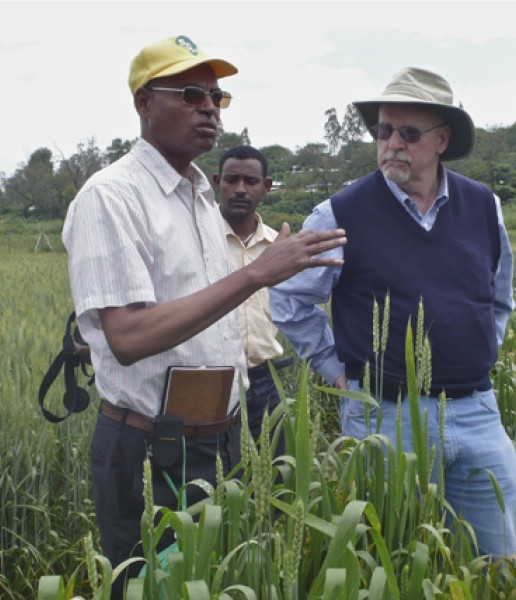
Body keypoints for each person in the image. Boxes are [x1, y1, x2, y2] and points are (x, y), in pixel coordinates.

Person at [61, 34, 345, 597]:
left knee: (216, 582)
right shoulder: (111, 196)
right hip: (152, 449)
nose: (210, 108)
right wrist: (257, 273)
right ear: (144, 102)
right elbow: (127, 336)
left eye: (218, 97)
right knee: (152, 587)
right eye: (191, 93)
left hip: (222, 438)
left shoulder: (197, 196)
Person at [270, 67, 516, 562]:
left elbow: (498, 297)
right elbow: (288, 301)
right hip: (384, 415)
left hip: (476, 412)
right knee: (395, 560)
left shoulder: (483, 206)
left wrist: (475, 355)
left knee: (497, 563)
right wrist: (336, 373)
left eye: (409, 132)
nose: (392, 143)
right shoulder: (339, 213)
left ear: (442, 139)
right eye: (384, 130)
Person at [214, 145, 288, 455]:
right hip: (214, 382)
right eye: (231, 180)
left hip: (266, 380)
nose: (240, 189)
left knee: (274, 483)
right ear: (218, 182)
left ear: (266, 186)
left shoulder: (280, 246)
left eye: (251, 181)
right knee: (218, 481)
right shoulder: (199, 242)